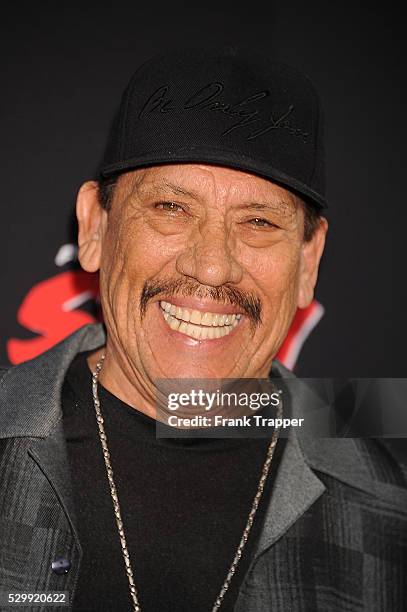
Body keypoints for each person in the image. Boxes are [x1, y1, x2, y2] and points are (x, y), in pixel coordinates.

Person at [0, 47, 405, 612]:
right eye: (170, 207)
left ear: (309, 260)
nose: (211, 266)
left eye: (259, 222)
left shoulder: (391, 490)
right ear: (95, 226)